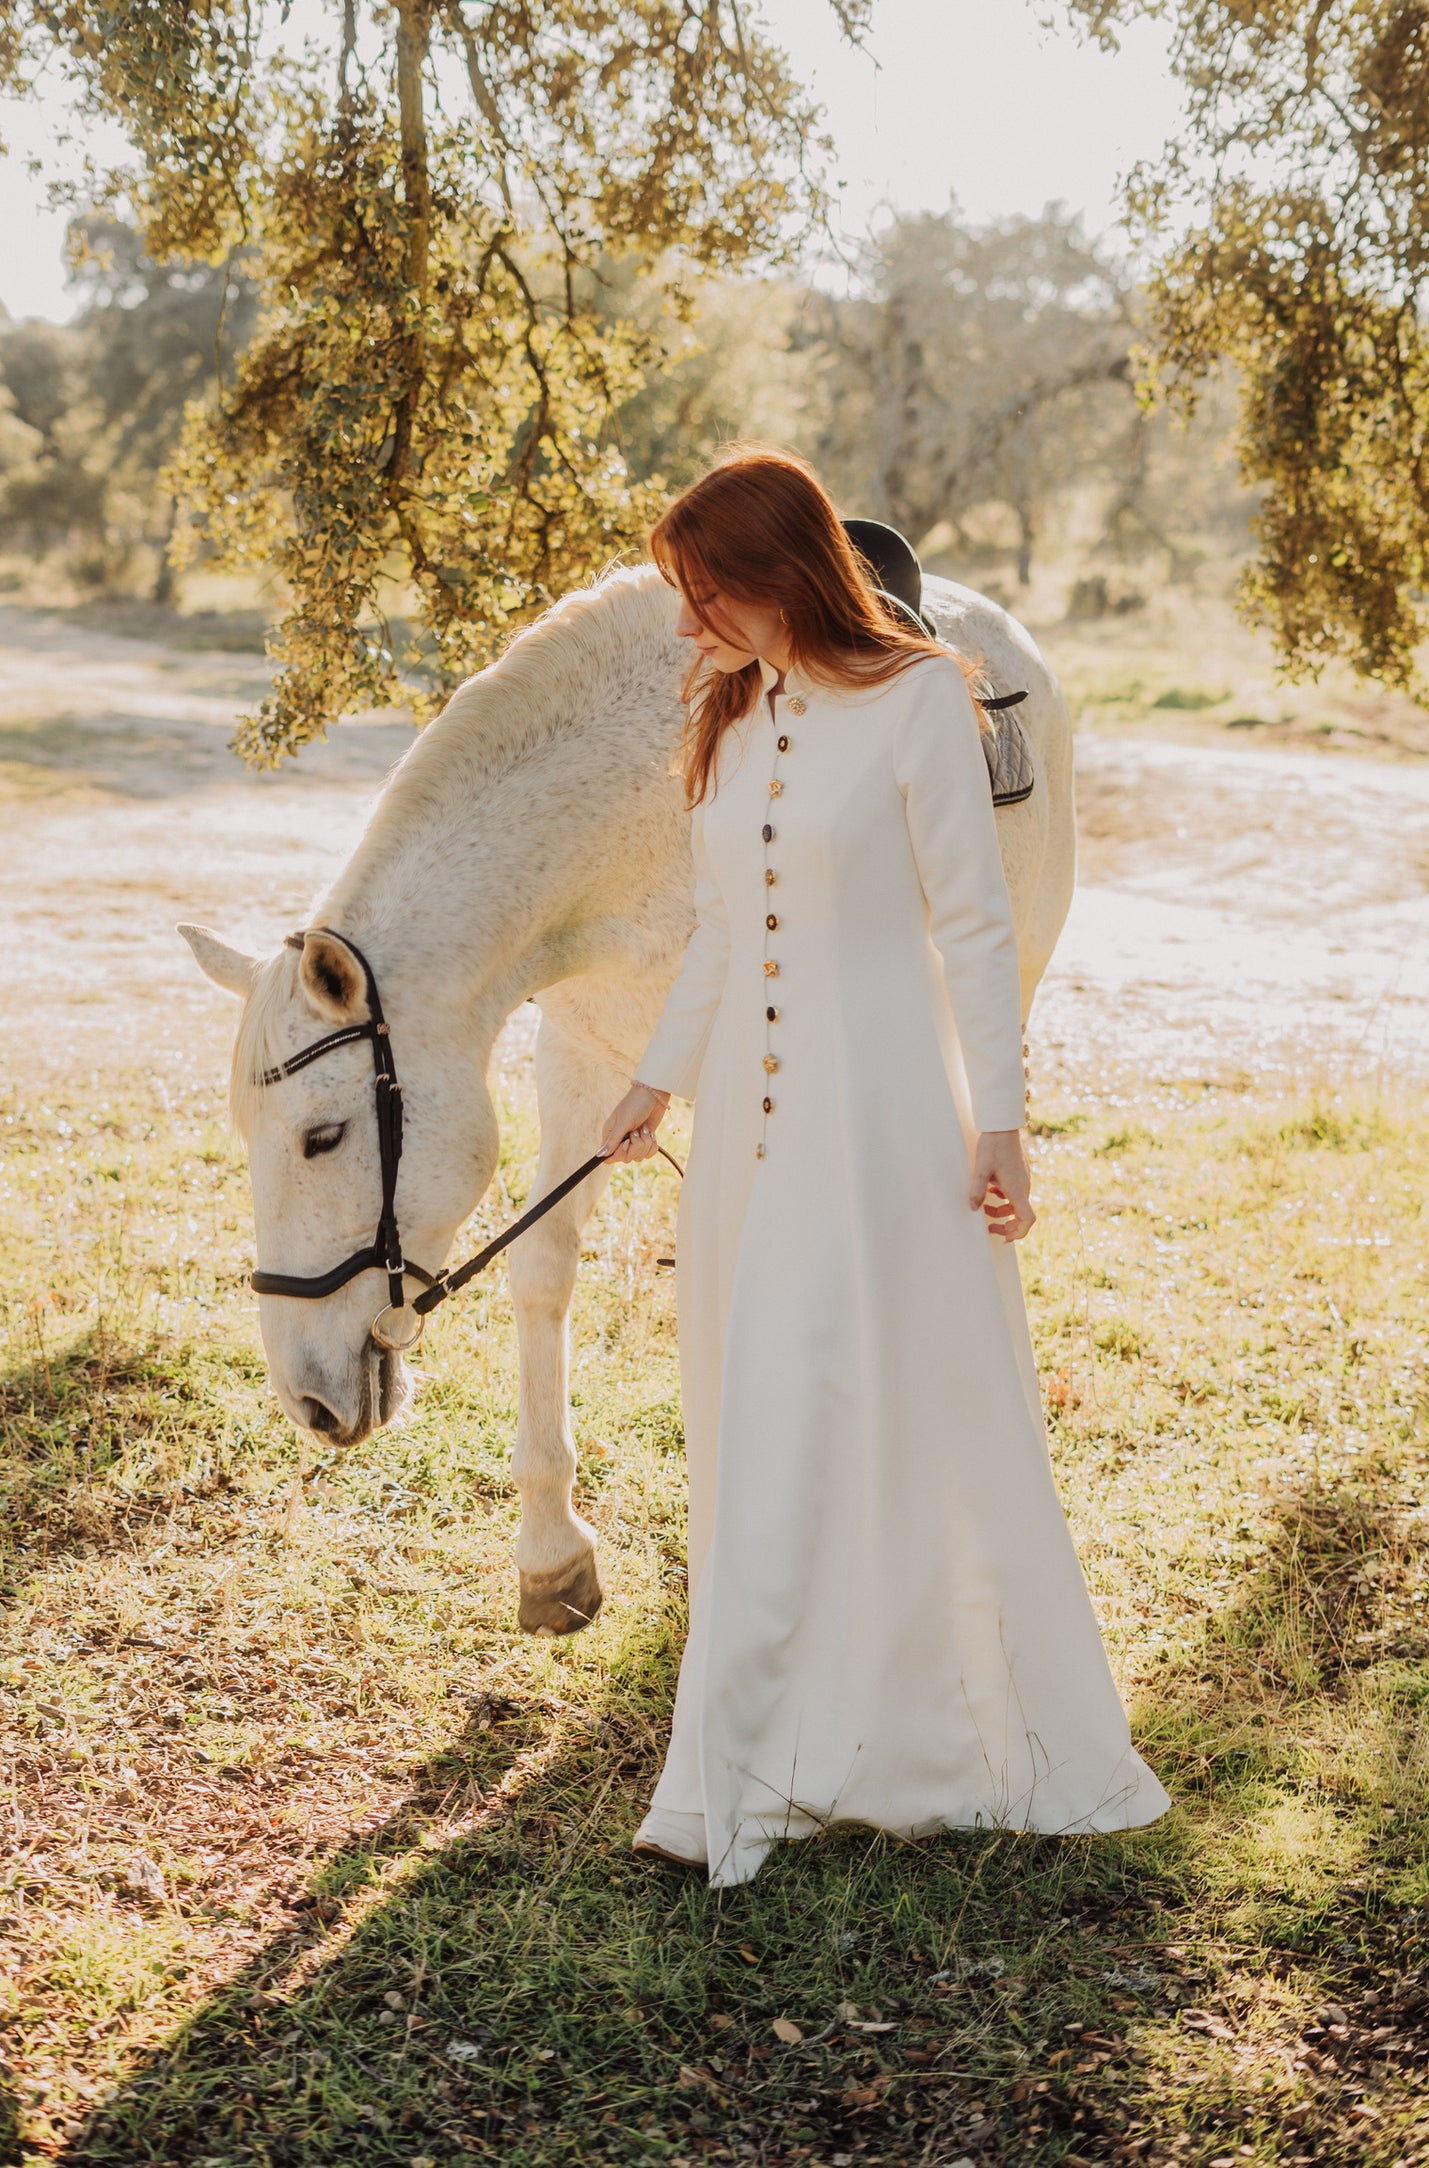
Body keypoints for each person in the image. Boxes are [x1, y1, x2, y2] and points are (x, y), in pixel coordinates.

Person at [599, 446, 1170, 1886]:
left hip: (887, 1120)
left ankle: (782, 1761)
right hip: (747, 1126)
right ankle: (755, 1750)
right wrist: (653, 1079)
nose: (683, 626)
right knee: (759, 1408)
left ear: (778, 574)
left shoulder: (922, 697)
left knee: (870, 1402)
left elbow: (972, 927)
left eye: (701, 592)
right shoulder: (724, 718)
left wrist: (1000, 1122)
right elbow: (724, 930)